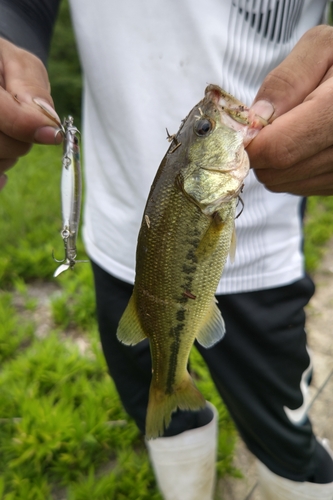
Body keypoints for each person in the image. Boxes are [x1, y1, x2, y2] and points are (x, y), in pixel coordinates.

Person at [0, 1, 333, 499]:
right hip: (112, 242)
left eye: (202, 130)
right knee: (165, 422)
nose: (210, 114)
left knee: (282, 435)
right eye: (203, 129)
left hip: (266, 260)